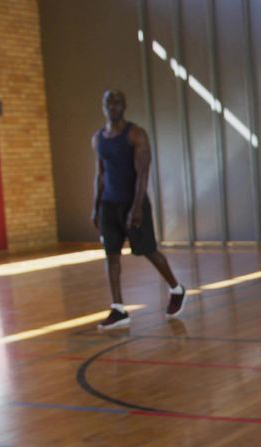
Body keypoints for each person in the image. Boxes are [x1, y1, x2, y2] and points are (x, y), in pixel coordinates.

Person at [92, 89, 186, 330]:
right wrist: (96, 207)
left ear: (124, 106)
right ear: (103, 106)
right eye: (108, 102)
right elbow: (100, 175)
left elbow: (143, 173)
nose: (112, 106)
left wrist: (136, 207)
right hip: (109, 206)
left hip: (133, 204)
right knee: (111, 256)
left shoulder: (136, 135)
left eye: (117, 102)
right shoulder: (98, 139)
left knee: (149, 252)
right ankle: (119, 309)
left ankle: (176, 288)